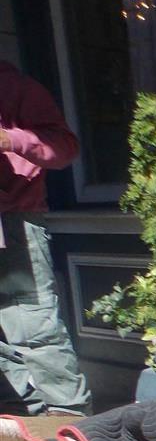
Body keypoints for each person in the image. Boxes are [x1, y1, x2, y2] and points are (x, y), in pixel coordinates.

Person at [1, 59, 91, 415]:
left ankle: (66, 413)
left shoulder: (17, 88)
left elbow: (65, 147)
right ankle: (21, 410)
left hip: (14, 220)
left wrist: (11, 139)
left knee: (32, 319)